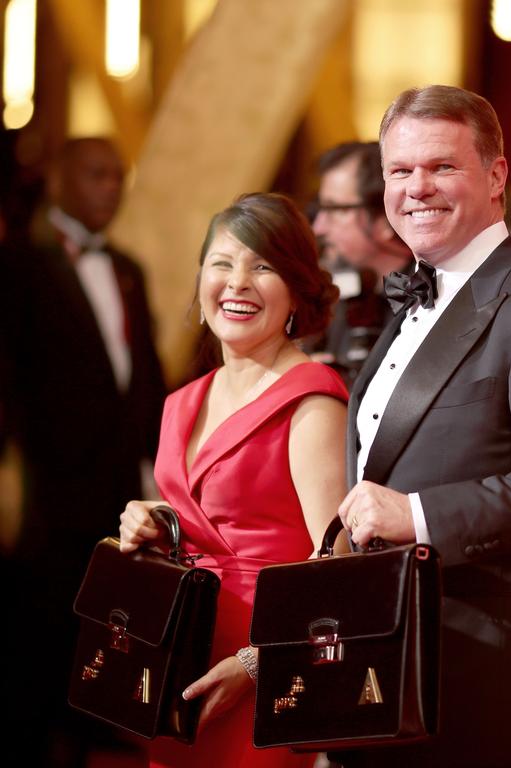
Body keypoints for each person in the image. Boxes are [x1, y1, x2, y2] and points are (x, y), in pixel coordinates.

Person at [332, 85, 511, 767]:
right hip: (395, 664)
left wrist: (421, 514)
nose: (417, 188)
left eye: (442, 167)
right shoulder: (409, 300)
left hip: (489, 677)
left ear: (496, 176)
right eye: (400, 172)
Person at [118, 193, 348, 768]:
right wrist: (154, 521)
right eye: (222, 263)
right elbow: (205, 518)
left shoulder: (312, 398)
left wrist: (254, 664)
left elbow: (338, 563)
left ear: (296, 289)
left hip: (268, 668)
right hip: (180, 657)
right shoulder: (181, 402)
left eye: (263, 266)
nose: (237, 282)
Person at [0, 136, 166, 767]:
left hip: (117, 481)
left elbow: (144, 373)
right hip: (48, 480)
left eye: (118, 176)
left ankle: (87, 725)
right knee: (39, 621)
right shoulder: (18, 264)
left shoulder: (127, 267)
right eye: (96, 174)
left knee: (105, 619)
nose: (111, 188)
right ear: (59, 180)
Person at [310, 142, 414, 385]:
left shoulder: (428, 298)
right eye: (320, 209)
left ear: (384, 216)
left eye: (335, 209)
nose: (319, 227)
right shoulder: (342, 296)